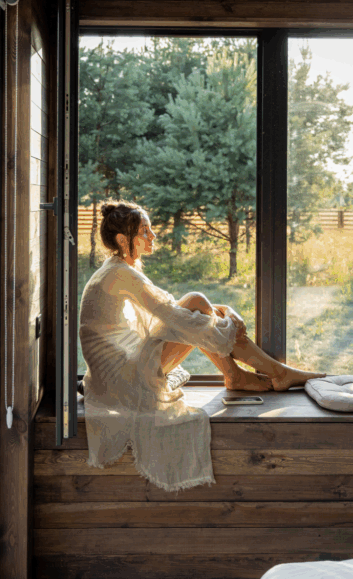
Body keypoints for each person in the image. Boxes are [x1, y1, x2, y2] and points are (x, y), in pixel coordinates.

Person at [78, 200, 325, 491]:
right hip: (124, 382)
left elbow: (171, 308)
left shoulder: (117, 269)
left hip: (120, 374)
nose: (153, 236)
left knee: (195, 304)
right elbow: (175, 314)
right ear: (123, 240)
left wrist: (226, 312)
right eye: (145, 231)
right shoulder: (119, 273)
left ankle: (250, 374)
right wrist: (228, 319)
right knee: (195, 303)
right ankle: (272, 373)